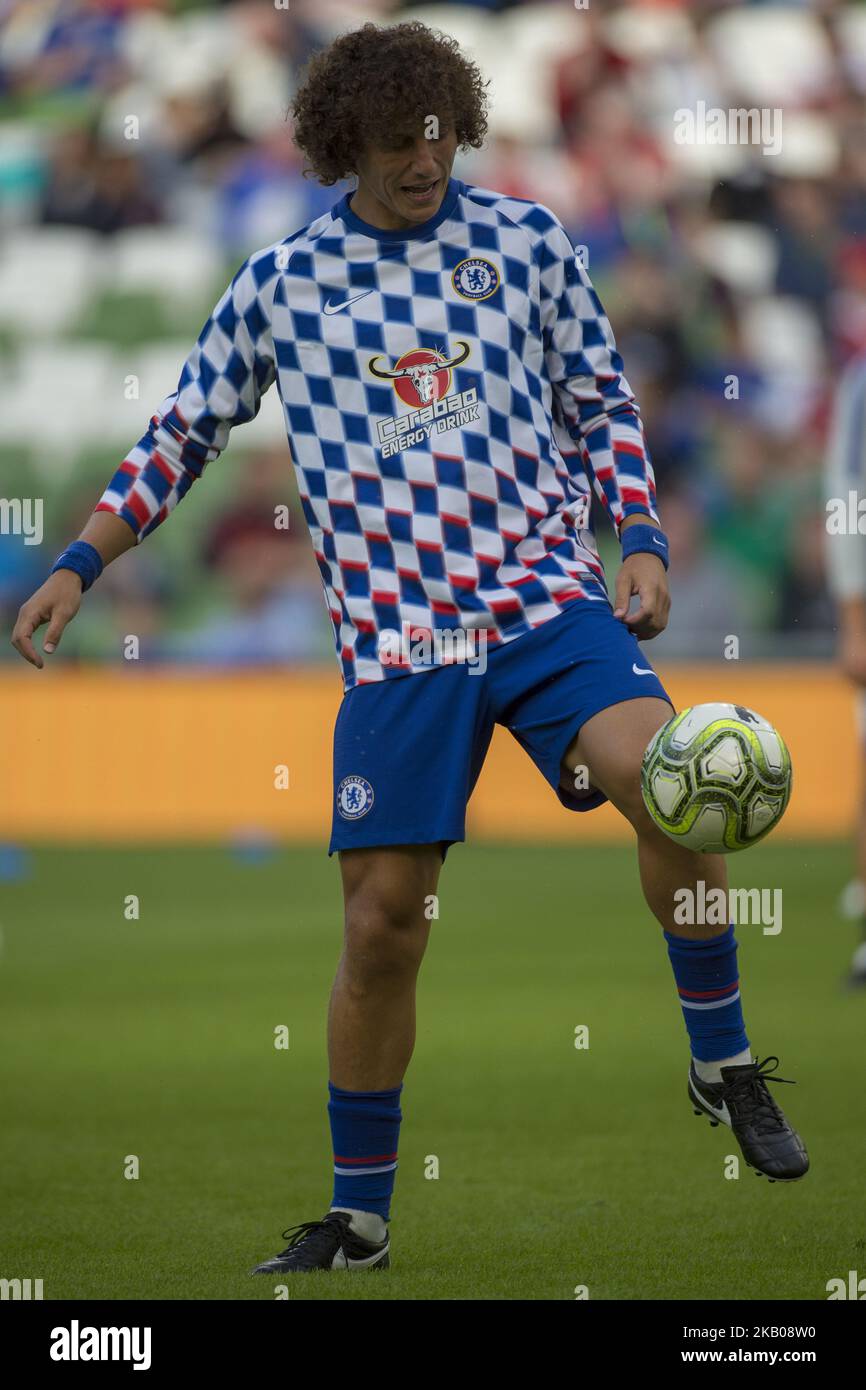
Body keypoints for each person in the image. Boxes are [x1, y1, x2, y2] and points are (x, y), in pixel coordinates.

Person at [11, 20, 808, 1277]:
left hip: (545, 604)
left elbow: (600, 399)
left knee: (672, 783)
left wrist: (637, 541)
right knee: (384, 924)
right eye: (395, 144)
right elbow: (178, 434)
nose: (423, 158)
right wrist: (75, 563)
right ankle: (361, 1219)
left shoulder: (530, 243)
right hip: (397, 642)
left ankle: (720, 1064)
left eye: (436, 130)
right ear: (347, 151)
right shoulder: (282, 286)